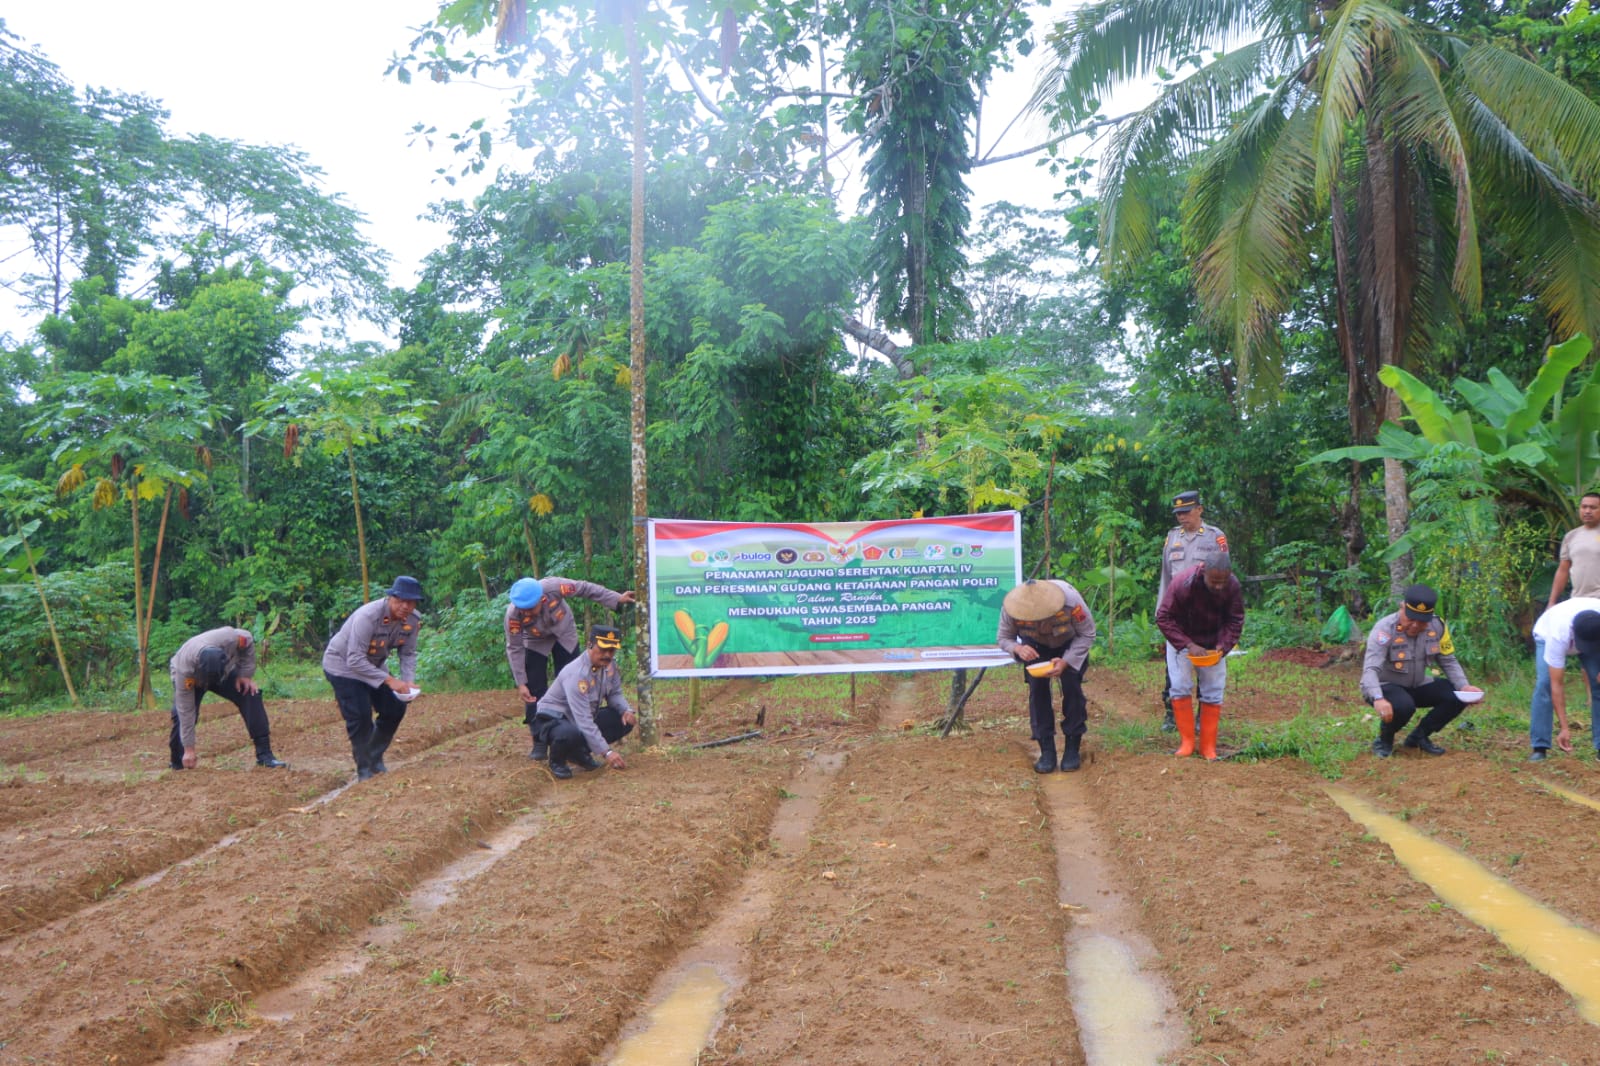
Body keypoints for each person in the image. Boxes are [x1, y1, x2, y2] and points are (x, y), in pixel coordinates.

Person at [504, 575, 637, 760]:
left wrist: (615, 598)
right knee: (533, 689)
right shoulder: (513, 615)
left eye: (531, 608)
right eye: (523, 610)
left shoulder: (554, 587)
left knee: (573, 682)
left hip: (563, 633)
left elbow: (585, 588)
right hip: (535, 640)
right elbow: (514, 647)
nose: (528, 613)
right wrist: (521, 682)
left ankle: (574, 740)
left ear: (541, 598)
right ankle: (539, 740)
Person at [1359, 584, 1481, 758]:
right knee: (1403, 706)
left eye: (1422, 621)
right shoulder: (1384, 629)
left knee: (1455, 695)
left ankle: (1419, 737)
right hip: (1385, 686)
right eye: (1411, 618)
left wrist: (1464, 687)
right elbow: (1371, 669)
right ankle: (1384, 740)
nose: (1415, 625)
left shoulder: (1438, 626)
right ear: (1402, 607)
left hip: (1418, 683)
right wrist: (1378, 698)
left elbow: (1448, 659)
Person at [323, 575, 424, 780]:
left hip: (373, 666)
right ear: (391, 598)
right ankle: (364, 769)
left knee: (395, 707)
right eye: (400, 600)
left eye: (410, 602)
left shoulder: (413, 620)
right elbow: (354, 660)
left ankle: (374, 757)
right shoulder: (368, 616)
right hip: (343, 666)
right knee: (360, 716)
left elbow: (408, 653)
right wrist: (389, 680)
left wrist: (407, 680)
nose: (405, 606)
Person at [996, 578, 1096, 773]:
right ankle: (1047, 749)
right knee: (1038, 691)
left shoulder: (1070, 600)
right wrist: (1017, 648)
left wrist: (1066, 661)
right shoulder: (1011, 606)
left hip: (1069, 644)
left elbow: (1087, 633)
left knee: (1072, 687)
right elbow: (1003, 638)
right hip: (1033, 646)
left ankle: (1072, 746)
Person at [1156, 553, 1245, 761]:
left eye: (1223, 581)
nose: (1218, 586)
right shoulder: (1183, 584)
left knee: (1214, 690)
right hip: (1182, 638)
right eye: (1214, 581)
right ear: (1203, 571)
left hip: (1213, 642)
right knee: (1179, 685)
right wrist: (1188, 644)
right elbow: (1164, 617)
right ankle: (1187, 743)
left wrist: (1222, 647)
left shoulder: (1232, 586)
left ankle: (1208, 746)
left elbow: (1235, 619)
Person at [1156, 490, 1229, 732]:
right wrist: (1162, 612)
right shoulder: (1172, 538)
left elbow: (1224, 577)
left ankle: (1202, 716)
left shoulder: (1214, 538)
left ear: (1200, 509)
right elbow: (1166, 577)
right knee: (1175, 668)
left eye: (1186, 512)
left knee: (1206, 666)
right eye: (1178, 513)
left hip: (1206, 615)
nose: (1181, 518)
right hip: (1178, 614)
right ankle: (1171, 713)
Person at [167, 627, 286, 770]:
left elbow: (247, 639)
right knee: (180, 715)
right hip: (193, 678)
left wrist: (244, 675)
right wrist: (189, 749)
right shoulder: (185, 670)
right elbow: (186, 710)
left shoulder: (231, 639)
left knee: (250, 694)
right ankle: (178, 761)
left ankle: (265, 756)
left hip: (224, 672)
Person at [531, 625, 638, 779]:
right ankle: (557, 761)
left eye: (612, 651)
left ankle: (578, 754)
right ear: (590, 645)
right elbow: (583, 720)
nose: (607, 655)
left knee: (622, 720)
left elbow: (614, 693)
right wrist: (606, 752)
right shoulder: (577, 674)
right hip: (553, 720)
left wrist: (626, 710)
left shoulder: (610, 666)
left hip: (580, 718)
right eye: (602, 650)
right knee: (569, 733)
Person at [1528, 595, 1600, 762]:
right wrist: (1564, 727)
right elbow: (1557, 684)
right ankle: (1540, 746)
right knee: (1544, 684)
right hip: (1545, 635)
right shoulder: (1557, 634)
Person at [1547, 493, 1600, 607]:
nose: (1587, 511)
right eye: (1584, 507)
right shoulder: (1571, 536)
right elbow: (1563, 571)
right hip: (1577, 600)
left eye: (1593, 507)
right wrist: (1551, 602)